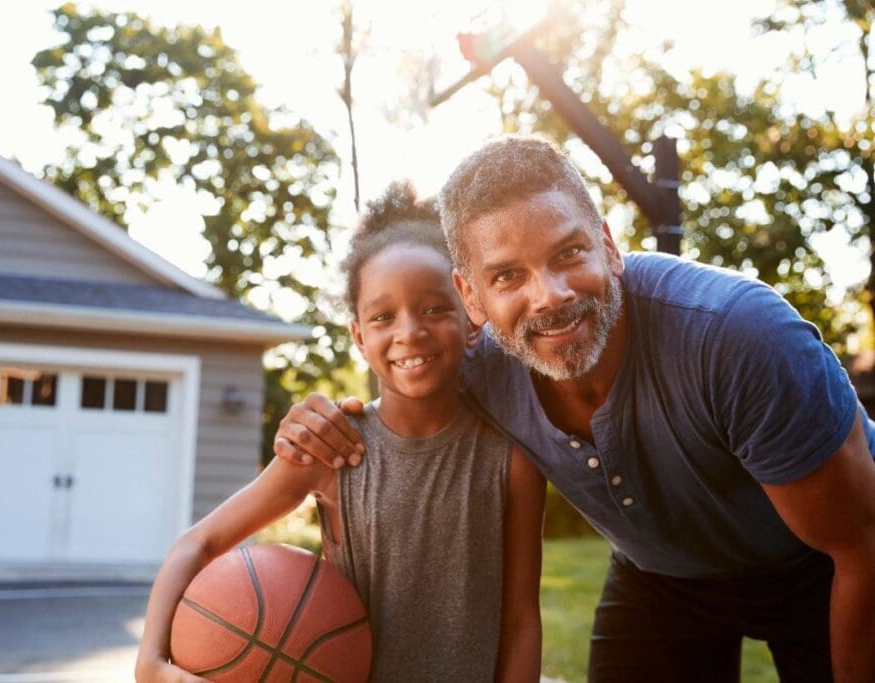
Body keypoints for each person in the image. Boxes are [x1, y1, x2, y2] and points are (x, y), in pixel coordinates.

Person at [273, 137, 875, 683]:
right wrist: (318, 422)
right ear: (470, 297)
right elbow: (392, 406)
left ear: (609, 247)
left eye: (569, 254)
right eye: (508, 276)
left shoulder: (738, 339)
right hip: (664, 575)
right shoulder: (472, 364)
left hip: (821, 565)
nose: (550, 296)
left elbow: (861, 546)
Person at [135, 181, 544, 683]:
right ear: (358, 336)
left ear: (471, 314)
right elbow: (196, 545)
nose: (409, 331)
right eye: (382, 316)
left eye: (435, 308)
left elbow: (521, 618)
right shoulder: (332, 447)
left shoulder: (511, 460)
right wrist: (150, 663)